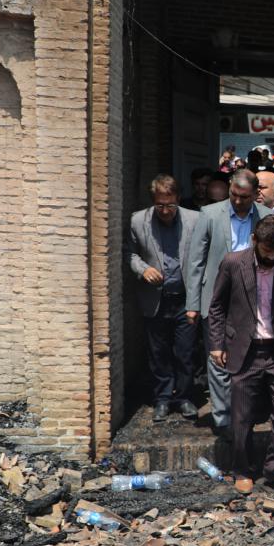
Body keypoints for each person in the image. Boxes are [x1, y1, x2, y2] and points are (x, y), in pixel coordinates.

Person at [206, 216, 274, 494]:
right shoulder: (232, 262)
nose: (272, 257)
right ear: (255, 241)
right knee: (241, 417)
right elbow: (217, 307)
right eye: (266, 251)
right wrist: (217, 344)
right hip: (245, 349)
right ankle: (242, 469)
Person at [186, 169, 273, 433]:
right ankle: (223, 419)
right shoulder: (210, 214)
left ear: (255, 195)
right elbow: (196, 260)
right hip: (216, 296)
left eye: (244, 197)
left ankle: (244, 413)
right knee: (217, 357)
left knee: (249, 359)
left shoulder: (266, 217)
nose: (237, 201)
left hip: (253, 298)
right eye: (233, 194)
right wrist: (192, 303)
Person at [125, 175, 200, 420]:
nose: (166, 211)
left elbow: (203, 256)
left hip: (185, 298)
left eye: (170, 205)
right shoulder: (138, 221)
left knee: (185, 352)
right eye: (160, 206)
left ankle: (185, 397)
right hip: (155, 298)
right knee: (158, 353)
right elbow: (129, 253)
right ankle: (163, 398)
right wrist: (143, 269)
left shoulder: (195, 219)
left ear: (178, 198)